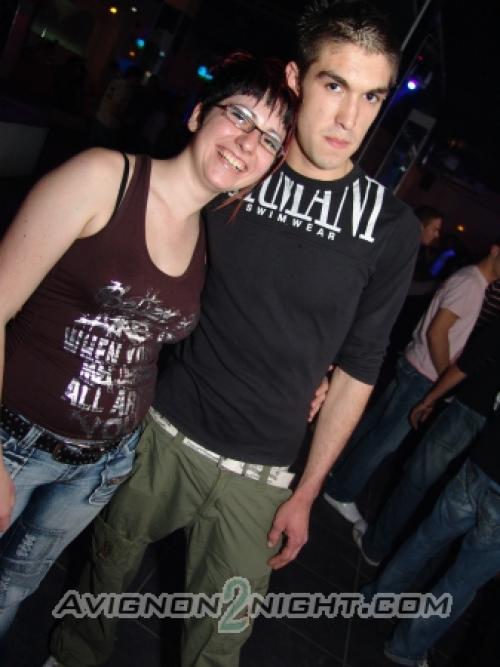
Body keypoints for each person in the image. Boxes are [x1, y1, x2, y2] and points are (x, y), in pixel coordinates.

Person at [48, 2, 421, 666]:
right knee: (103, 576)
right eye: (335, 85)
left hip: (262, 472)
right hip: (163, 433)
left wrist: (307, 493)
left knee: (219, 644)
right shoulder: (237, 168)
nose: (349, 118)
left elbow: (360, 368)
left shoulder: (388, 229)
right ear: (297, 79)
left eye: (371, 96)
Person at [0, 52, 297, 635]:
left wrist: (314, 378)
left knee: (13, 589)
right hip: (15, 442)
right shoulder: (103, 178)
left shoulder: (213, 241)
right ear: (198, 114)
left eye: (268, 140)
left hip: (102, 467)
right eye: (239, 115)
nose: (247, 142)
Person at [323, 239, 500, 525]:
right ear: (494, 250)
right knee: (383, 441)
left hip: (415, 366)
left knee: (373, 429)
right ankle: (340, 491)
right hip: (424, 374)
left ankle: (335, 472)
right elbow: (437, 333)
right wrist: (445, 378)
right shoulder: (471, 283)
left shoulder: (472, 281)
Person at [353, 312, 500, 567]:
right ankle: (397, 564)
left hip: (470, 408)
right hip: (489, 429)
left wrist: (430, 398)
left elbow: (469, 361)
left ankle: (376, 547)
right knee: (454, 508)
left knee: (418, 481)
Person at [361, 409, 500, 667]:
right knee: (462, 581)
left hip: (482, 462)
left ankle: (376, 599)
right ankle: (405, 647)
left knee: (424, 540)